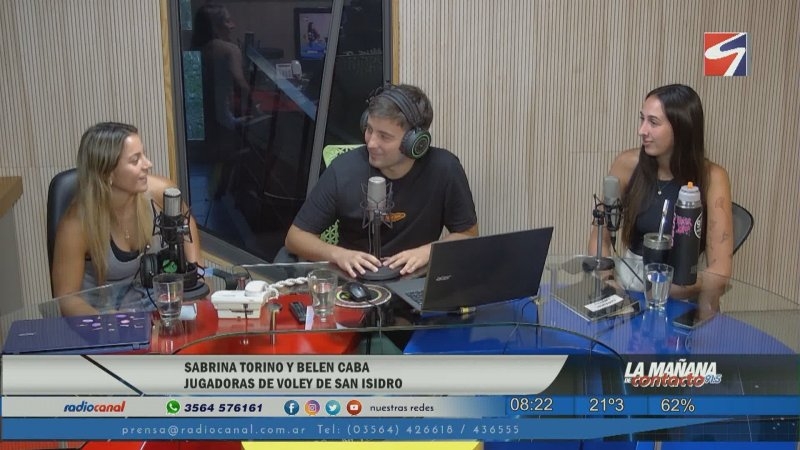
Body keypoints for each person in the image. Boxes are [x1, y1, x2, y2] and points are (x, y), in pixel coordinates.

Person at [285, 84, 479, 278]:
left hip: (415, 280)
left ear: (415, 142)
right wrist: (339, 254)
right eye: (369, 129)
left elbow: (467, 234)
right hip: (356, 282)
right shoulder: (344, 170)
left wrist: (429, 251)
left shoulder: (445, 169)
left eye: (384, 137)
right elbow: (296, 238)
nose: (371, 143)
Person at [588, 84, 733, 296]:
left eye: (653, 122)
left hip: (683, 290)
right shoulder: (626, 164)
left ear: (681, 128)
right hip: (629, 285)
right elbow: (599, 238)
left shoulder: (713, 178)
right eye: (642, 119)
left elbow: (720, 273)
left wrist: (663, 291)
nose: (642, 131)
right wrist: (608, 281)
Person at [51, 122, 202, 316]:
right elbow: (66, 299)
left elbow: (185, 223)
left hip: (157, 312)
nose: (148, 164)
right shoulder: (76, 225)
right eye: (135, 160)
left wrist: (198, 279)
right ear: (107, 172)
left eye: (144, 155)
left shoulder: (161, 193)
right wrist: (111, 322)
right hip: (104, 320)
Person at [191, 2, 251, 198]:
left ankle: (219, 193)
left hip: (206, 125)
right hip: (223, 125)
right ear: (215, 26)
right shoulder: (229, 50)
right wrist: (256, 108)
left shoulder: (197, 49)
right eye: (227, 21)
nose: (233, 25)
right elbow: (241, 84)